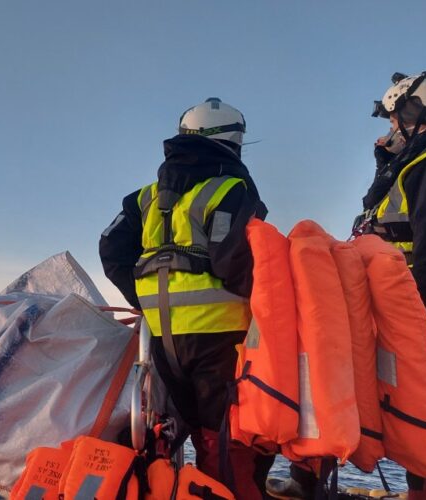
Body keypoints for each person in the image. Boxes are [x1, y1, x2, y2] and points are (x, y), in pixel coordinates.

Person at [99, 97, 272, 500]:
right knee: (228, 438)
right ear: (233, 141)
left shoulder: (143, 197)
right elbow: (234, 259)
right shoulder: (231, 188)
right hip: (222, 338)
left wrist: (145, 298)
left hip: (164, 341)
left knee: (174, 427)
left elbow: (110, 247)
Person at [345, 71, 426, 499]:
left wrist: (422, 301)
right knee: (404, 397)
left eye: (395, 118)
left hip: (412, 294)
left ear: (415, 110)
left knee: (414, 402)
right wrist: (387, 163)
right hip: (396, 291)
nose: (391, 127)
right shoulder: (422, 157)